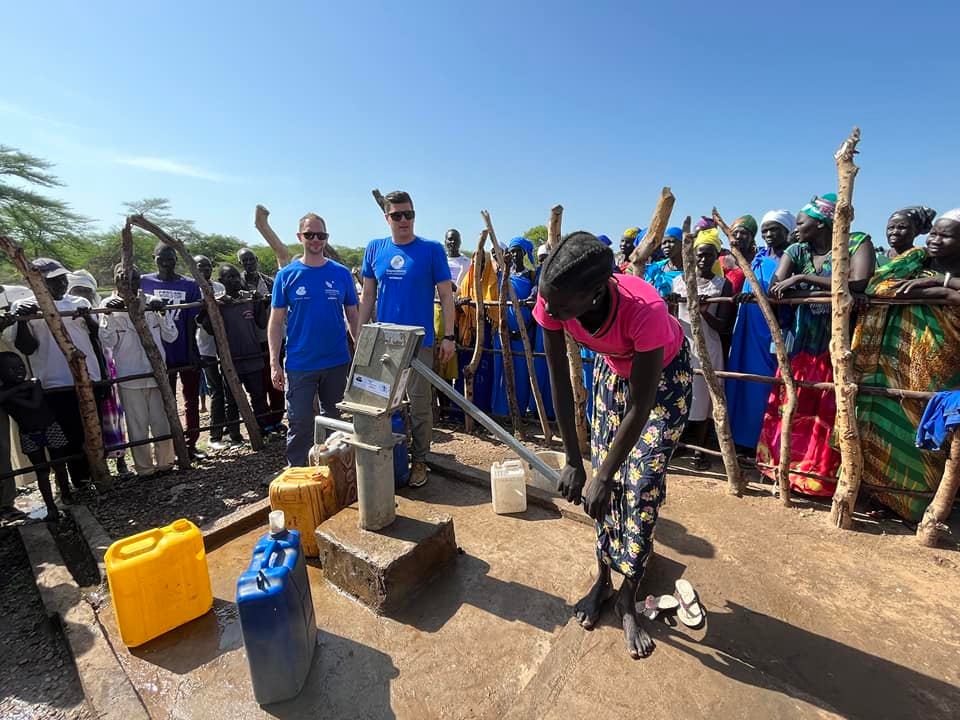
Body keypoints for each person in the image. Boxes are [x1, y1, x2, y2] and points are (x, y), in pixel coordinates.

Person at [534, 232, 689, 659]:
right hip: (613, 374)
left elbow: (642, 406)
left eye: (562, 306)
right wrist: (574, 460)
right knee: (599, 495)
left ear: (595, 292)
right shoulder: (553, 298)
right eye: (548, 302)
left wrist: (603, 474)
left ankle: (628, 597)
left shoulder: (646, 311)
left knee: (637, 488)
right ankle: (602, 580)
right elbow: (560, 383)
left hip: (661, 387)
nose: (551, 311)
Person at [757, 193, 876, 495]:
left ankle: (818, 478)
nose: (796, 228)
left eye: (801, 222)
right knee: (793, 404)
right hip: (803, 344)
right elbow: (774, 289)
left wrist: (803, 278)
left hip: (838, 346)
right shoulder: (797, 249)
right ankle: (782, 469)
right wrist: (821, 285)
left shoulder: (857, 242)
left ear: (821, 223)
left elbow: (859, 283)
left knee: (830, 410)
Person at [852, 209, 960, 521]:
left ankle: (918, 503)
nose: (935, 240)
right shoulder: (915, 261)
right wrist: (945, 291)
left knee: (928, 422)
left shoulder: (931, 272)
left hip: (943, 359)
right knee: (893, 421)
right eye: (934, 233)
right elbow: (879, 288)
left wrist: (941, 285)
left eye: (946, 235)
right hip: (898, 359)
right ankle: (884, 495)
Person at [359, 191, 455, 487]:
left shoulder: (431, 249)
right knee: (382, 402)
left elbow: (446, 296)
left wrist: (448, 336)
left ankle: (420, 459)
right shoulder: (375, 248)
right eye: (397, 215)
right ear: (386, 218)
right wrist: (361, 334)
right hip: (384, 342)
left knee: (420, 404)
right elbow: (368, 295)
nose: (404, 221)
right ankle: (389, 459)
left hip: (419, 342)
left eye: (408, 214)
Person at [270, 213, 359, 467]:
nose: (316, 240)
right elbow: (275, 323)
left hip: (336, 361)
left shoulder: (341, 274)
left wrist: (361, 354)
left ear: (327, 238)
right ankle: (298, 474)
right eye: (310, 235)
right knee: (300, 422)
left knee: (336, 420)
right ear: (300, 237)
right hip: (300, 363)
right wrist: (274, 363)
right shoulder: (287, 276)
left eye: (321, 235)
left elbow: (352, 315)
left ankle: (336, 473)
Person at [12, 258, 105, 489]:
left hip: (88, 377)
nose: (61, 284)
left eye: (62, 278)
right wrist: (23, 320)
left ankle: (99, 475)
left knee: (94, 430)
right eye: (53, 280)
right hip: (54, 383)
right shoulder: (23, 306)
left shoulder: (79, 301)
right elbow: (26, 347)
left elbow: (97, 338)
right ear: (37, 282)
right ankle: (79, 482)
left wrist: (86, 316)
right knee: (68, 436)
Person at [725, 210, 795, 451]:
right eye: (765, 229)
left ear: (787, 231)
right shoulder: (758, 258)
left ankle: (758, 440)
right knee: (740, 379)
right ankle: (738, 440)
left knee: (762, 384)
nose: (769, 234)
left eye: (774, 229)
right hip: (747, 326)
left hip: (771, 330)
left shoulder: (791, 258)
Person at [101, 264, 179, 476]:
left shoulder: (152, 301)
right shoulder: (108, 305)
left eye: (134, 279)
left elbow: (171, 336)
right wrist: (109, 315)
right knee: (137, 426)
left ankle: (166, 463)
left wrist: (162, 312)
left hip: (156, 375)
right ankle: (144, 469)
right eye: (124, 279)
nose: (130, 284)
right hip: (130, 377)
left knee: (161, 422)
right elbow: (106, 341)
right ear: (116, 281)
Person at [670, 228, 734, 470]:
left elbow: (724, 326)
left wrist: (705, 312)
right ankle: (678, 444)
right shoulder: (679, 282)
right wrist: (673, 305)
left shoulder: (722, 285)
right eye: (700, 254)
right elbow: (674, 319)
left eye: (709, 255)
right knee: (681, 395)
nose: (703, 259)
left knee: (707, 400)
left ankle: (700, 449)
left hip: (709, 348)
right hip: (683, 346)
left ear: (717, 257)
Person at [140, 243, 205, 459]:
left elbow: (191, 322)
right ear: (154, 258)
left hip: (184, 349)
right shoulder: (144, 282)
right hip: (159, 352)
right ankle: (172, 447)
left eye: (171, 258)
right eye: (162, 258)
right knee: (166, 401)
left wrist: (192, 350)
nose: (167, 263)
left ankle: (190, 444)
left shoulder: (189, 285)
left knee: (191, 399)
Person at [67, 270, 131, 477]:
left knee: (112, 417)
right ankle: (95, 468)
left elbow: (102, 338)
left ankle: (120, 460)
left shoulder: (98, 310)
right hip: (80, 373)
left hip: (105, 369)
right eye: (78, 291)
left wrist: (89, 317)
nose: (83, 296)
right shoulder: (65, 314)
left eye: (87, 291)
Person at [199, 264, 270, 445]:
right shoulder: (219, 304)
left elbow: (262, 324)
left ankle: (263, 429)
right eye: (229, 278)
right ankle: (235, 435)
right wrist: (211, 306)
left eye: (236, 277)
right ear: (221, 281)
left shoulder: (247, 300)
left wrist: (260, 302)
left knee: (258, 395)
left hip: (253, 356)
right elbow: (207, 327)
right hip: (232, 361)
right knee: (232, 400)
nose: (235, 280)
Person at [0, 352, 72, 521]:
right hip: (29, 434)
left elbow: (34, 404)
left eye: (21, 367)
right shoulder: (15, 389)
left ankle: (66, 496)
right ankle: (51, 506)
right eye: (12, 369)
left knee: (59, 465)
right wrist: (17, 390)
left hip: (50, 428)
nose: (19, 371)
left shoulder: (33, 383)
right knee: (41, 470)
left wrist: (13, 396)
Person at [238, 247, 285, 433]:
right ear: (240, 263)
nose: (249, 263)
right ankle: (262, 422)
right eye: (245, 261)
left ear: (256, 259)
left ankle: (277, 418)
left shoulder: (269, 282)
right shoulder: (237, 283)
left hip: (271, 339)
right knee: (257, 384)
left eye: (251, 259)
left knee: (276, 379)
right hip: (251, 341)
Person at [491, 237, 536, 417]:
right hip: (503, 331)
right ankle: (502, 411)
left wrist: (525, 327)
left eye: (518, 250)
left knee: (523, 372)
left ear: (524, 253)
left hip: (524, 332)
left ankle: (520, 410)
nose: (514, 254)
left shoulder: (531, 276)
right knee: (501, 369)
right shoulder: (503, 275)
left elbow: (535, 306)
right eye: (512, 250)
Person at [193, 256, 229, 449]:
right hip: (206, 348)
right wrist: (209, 306)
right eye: (200, 266)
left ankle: (230, 430)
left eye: (208, 266)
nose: (205, 269)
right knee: (216, 391)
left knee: (230, 388)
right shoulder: (193, 289)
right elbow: (203, 323)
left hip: (224, 346)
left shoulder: (219, 287)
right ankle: (214, 436)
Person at [644, 227, 684, 298]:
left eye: (671, 241)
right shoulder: (655, 268)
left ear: (682, 244)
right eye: (663, 243)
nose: (666, 246)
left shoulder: (690, 269)